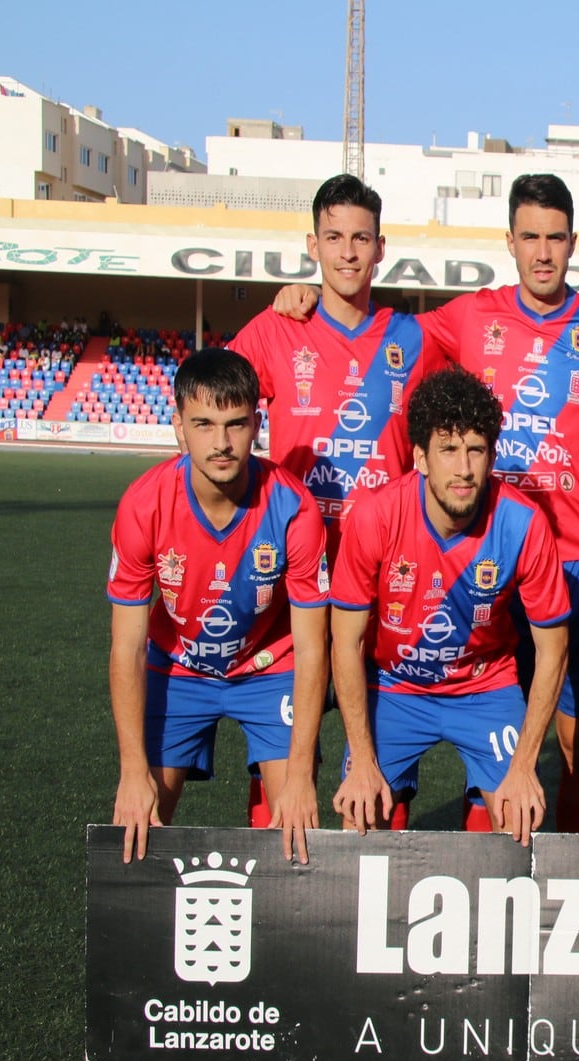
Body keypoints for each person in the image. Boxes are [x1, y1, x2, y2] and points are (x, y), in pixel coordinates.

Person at [230, 173, 445, 829]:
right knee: (283, 763)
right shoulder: (275, 330)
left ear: (381, 248)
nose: (348, 252)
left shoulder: (417, 338)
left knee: (372, 759)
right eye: (334, 238)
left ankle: (369, 899)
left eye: (361, 239)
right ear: (312, 244)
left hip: (380, 571)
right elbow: (213, 405)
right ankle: (278, 896)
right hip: (292, 569)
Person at [328, 367, 571, 844]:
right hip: (394, 686)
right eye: (448, 449)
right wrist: (360, 757)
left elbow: (554, 650)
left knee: (518, 819)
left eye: (476, 450)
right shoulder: (376, 516)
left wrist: (524, 767)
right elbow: (347, 640)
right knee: (360, 815)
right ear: (420, 457)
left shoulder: (523, 524)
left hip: (485, 687)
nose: (463, 468)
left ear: (491, 455)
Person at [108, 348, 329, 864]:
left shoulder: (293, 507)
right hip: (177, 666)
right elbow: (127, 649)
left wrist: (300, 777)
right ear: (179, 428)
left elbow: (314, 649)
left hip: (268, 668)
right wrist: (131, 770)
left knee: (296, 832)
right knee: (142, 824)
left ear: (257, 424)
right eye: (204, 425)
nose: (222, 443)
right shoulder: (144, 504)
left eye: (235, 424)